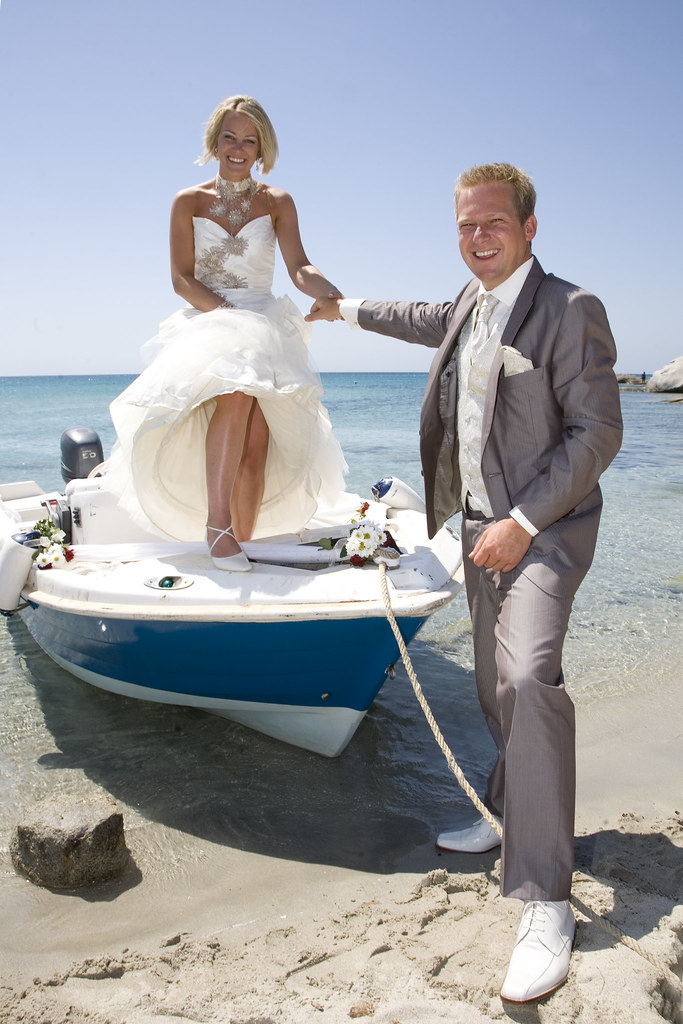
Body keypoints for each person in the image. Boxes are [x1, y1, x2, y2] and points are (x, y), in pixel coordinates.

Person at [306, 163, 623, 1003]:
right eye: (463, 226)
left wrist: (523, 522)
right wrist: (338, 305)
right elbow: (410, 317)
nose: (476, 237)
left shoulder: (568, 309)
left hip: (544, 530)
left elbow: (596, 434)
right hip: (480, 532)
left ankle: (544, 896)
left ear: (527, 226)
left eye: (491, 224)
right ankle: (507, 818)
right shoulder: (465, 306)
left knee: (526, 679)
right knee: (490, 686)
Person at [106, 95, 346, 570]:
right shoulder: (188, 201)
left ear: (262, 149)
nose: (239, 148)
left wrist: (329, 290)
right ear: (215, 142)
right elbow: (181, 279)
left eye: (249, 140)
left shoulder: (277, 202)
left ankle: (244, 542)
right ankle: (218, 529)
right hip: (210, 318)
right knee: (237, 393)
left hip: (266, 322)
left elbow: (299, 266)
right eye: (230, 137)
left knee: (258, 443)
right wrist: (228, 315)